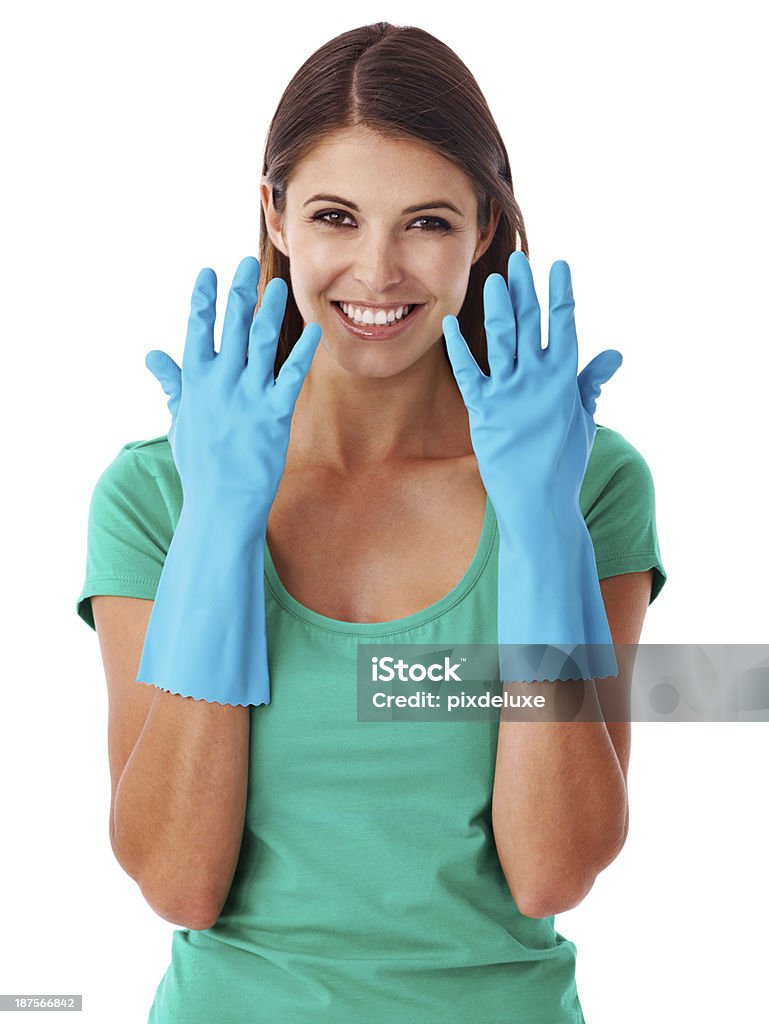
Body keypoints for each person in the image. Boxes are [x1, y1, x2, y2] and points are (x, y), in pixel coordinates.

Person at [76, 21, 666, 1024]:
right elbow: (178, 880)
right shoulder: (156, 496)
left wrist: (539, 533)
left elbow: (551, 872)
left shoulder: (584, 481)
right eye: (337, 216)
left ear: (484, 229)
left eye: (427, 222)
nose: (378, 270)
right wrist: (220, 530)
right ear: (275, 216)